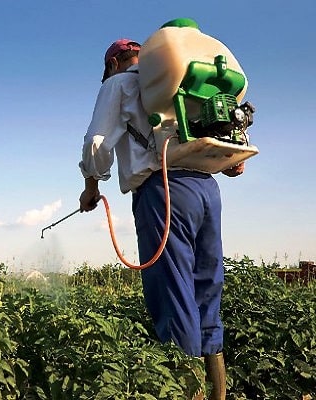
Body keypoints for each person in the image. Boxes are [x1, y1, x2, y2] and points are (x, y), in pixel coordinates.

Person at [78, 38, 244, 400]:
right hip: (207, 188)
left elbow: (98, 142)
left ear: (113, 64)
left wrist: (91, 186)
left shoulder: (119, 83)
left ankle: (188, 394)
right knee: (206, 287)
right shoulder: (180, 78)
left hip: (164, 190)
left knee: (174, 294)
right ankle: (217, 393)